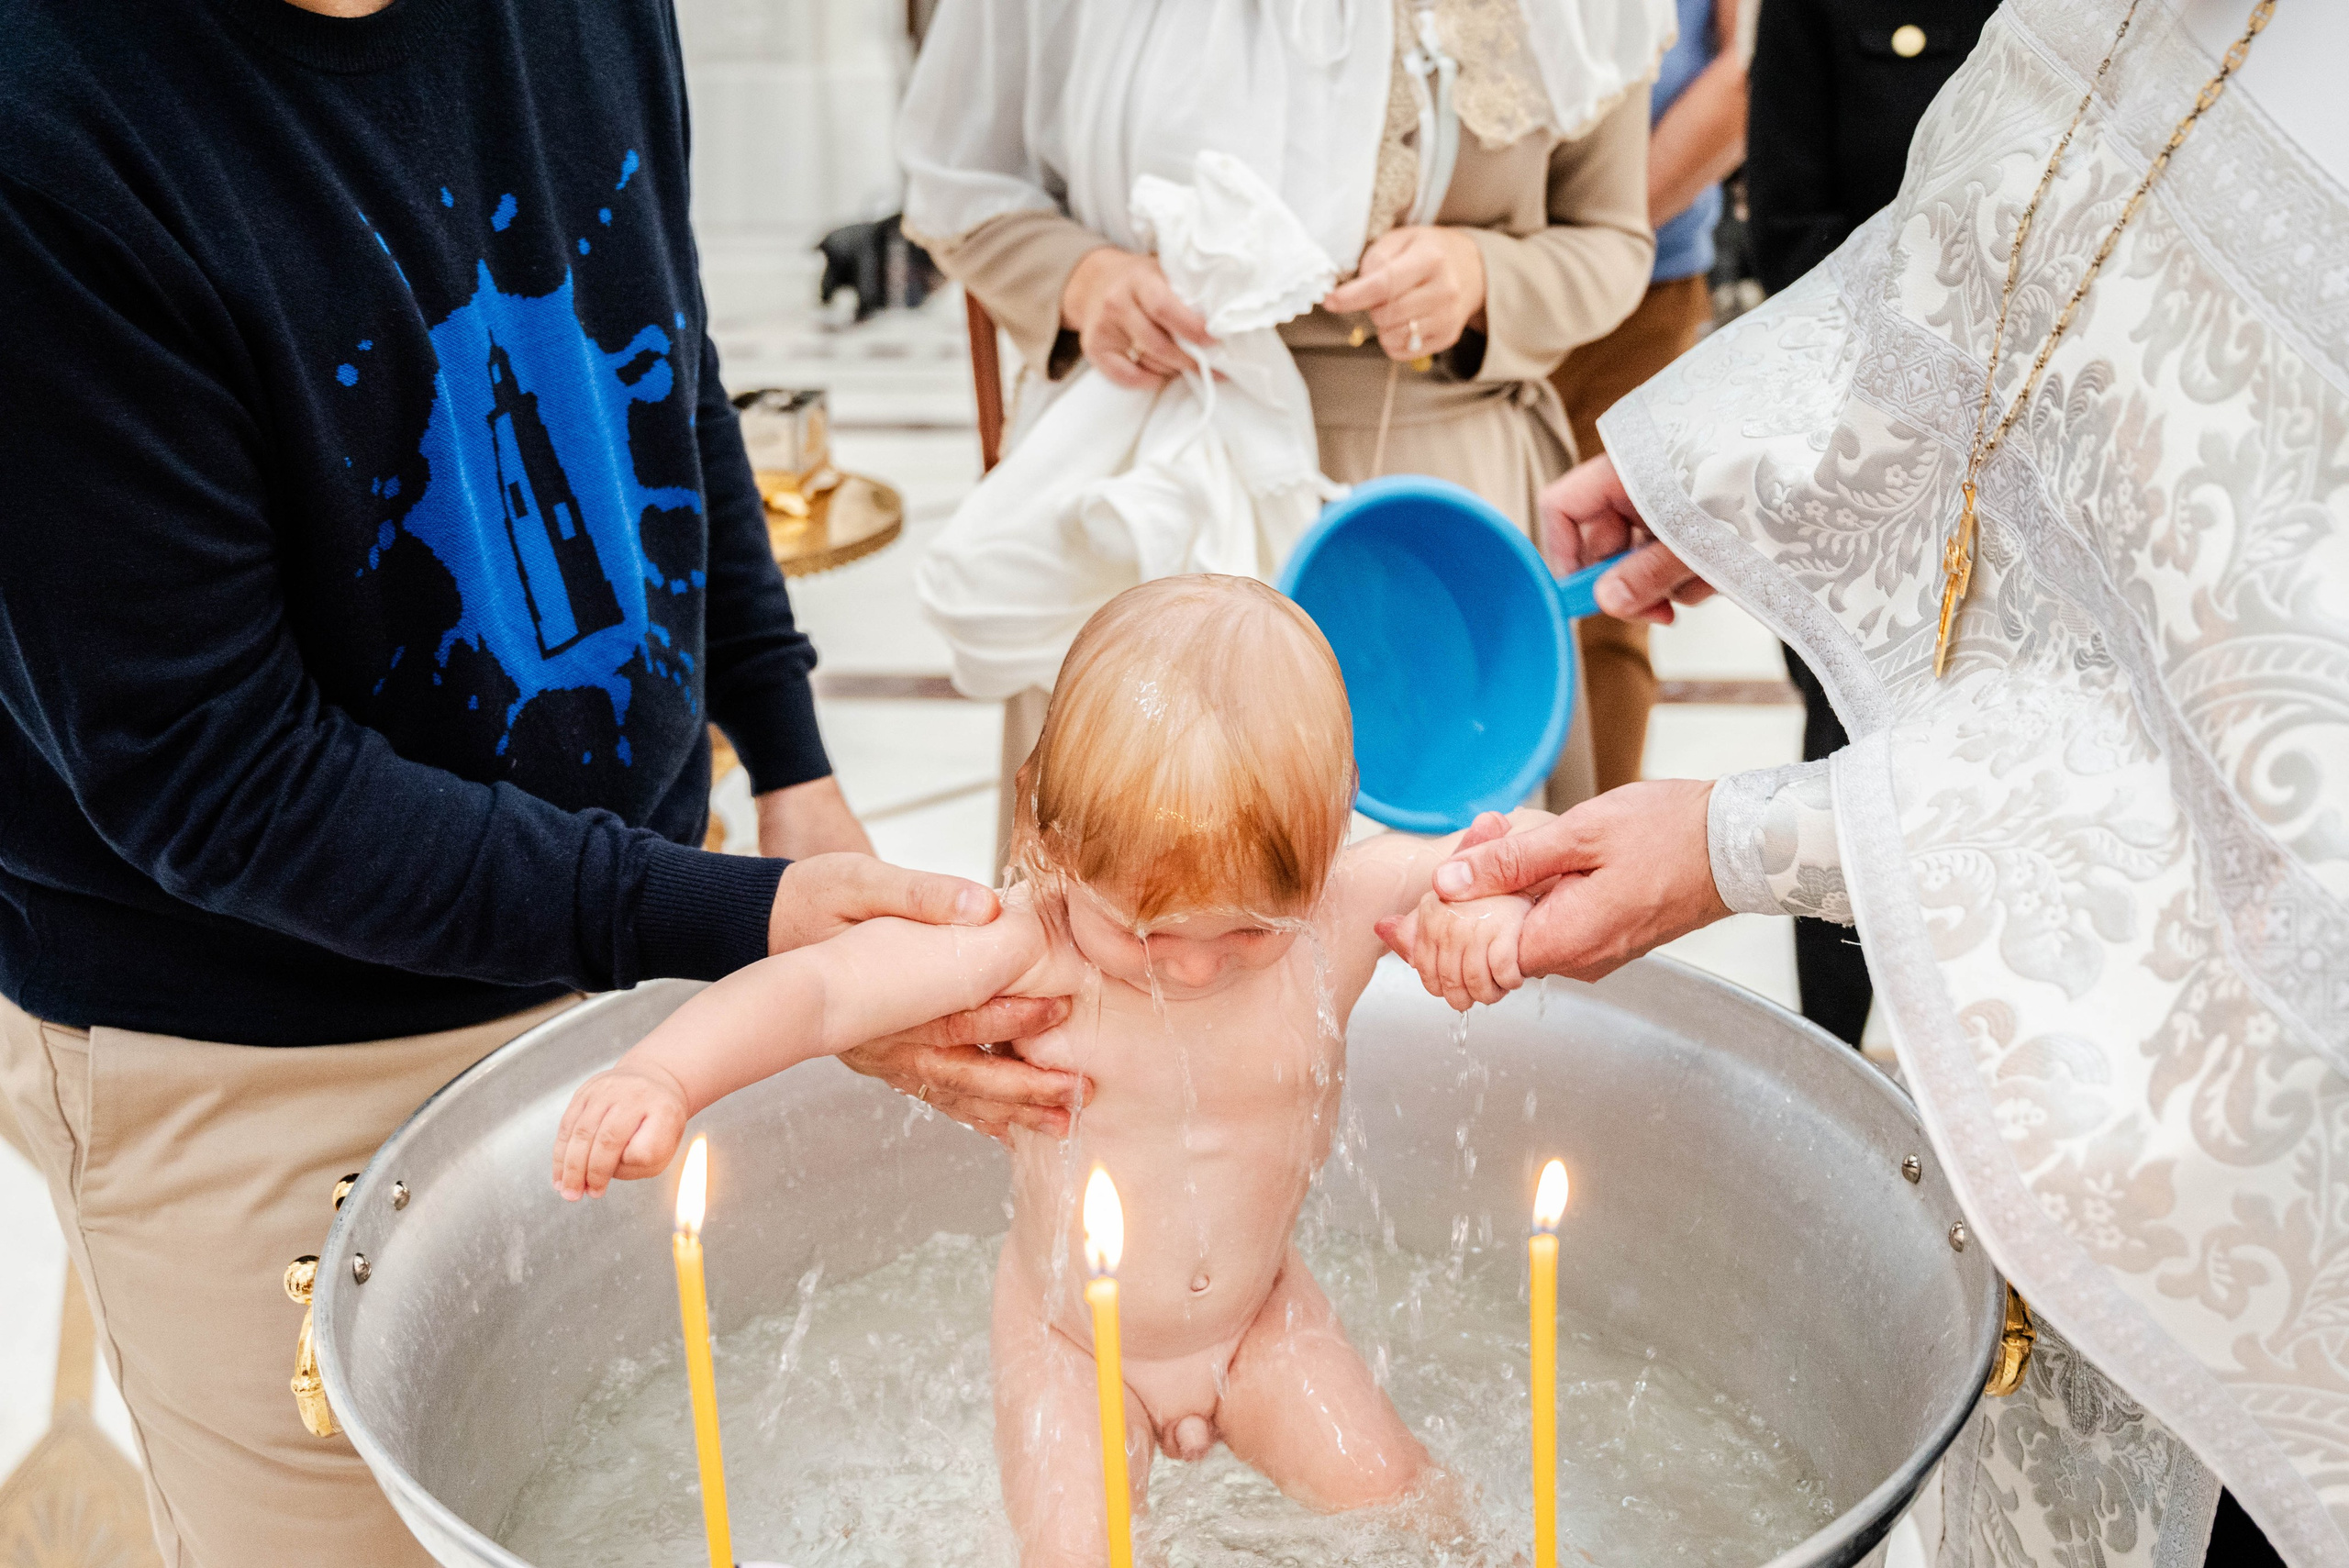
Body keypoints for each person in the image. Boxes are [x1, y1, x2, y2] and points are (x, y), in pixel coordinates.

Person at [0, 1, 1081, 1562]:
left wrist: (785, 757)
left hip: (626, 949)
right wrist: (728, 916)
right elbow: (216, 777)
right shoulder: (53, 128)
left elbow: (656, 357)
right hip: (263, 1044)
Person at [1398, 2, 2346, 1563]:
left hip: (2266, 1150)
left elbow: (2282, 760)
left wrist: (1742, 839)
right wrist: (1750, 459)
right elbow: (2024, 231)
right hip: (2032, 1056)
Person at [554, 575, 1537, 1564]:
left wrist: (1482, 911)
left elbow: (1503, 854)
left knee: (1419, 1518)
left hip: (1260, 1317)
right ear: (1051, 842)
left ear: (1329, 840)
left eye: (1246, 929)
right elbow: (819, 991)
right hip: (1071, 1342)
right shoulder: (1028, 944)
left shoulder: (1337, 907)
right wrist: (663, 1076)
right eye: (1146, 930)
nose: (1195, 962)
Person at [897, 0, 1671, 826]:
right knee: (1137, 891)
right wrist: (1082, 279)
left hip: (1430, 512)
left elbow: (1611, 238)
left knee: (1426, 910)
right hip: (1151, 471)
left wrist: (1485, 276)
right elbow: (964, 180)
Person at [1741, 0, 2000, 1045]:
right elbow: (1786, 226)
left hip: (2050, 437)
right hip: (1868, 437)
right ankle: (1831, 1067)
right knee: (1844, 746)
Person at [1552, 0, 1753, 794]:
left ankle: (1576, 872)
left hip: (1640, 287)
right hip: (1452, 282)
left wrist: (1586, 245)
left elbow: (1744, 70)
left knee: (1603, 599)